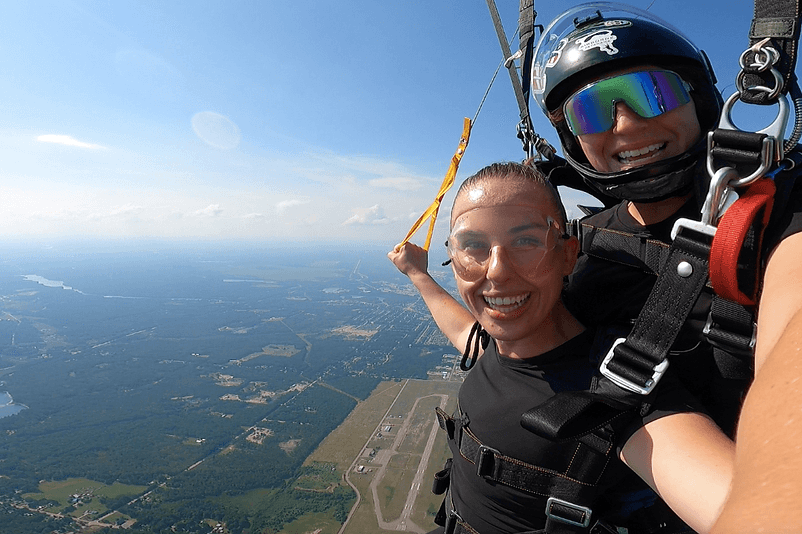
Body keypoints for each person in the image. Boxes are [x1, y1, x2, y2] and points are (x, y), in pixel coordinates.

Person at [524, 3, 802, 532]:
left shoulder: (775, 208)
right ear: (574, 140)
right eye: (592, 111)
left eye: (653, 92)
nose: (627, 124)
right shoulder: (580, 242)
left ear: (699, 101)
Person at [389, 162, 734, 534]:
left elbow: (738, 506)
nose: (497, 271)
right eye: (473, 245)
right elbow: (464, 332)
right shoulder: (500, 343)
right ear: (454, 259)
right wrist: (417, 273)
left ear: (568, 255)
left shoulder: (616, 395)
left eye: (526, 241)